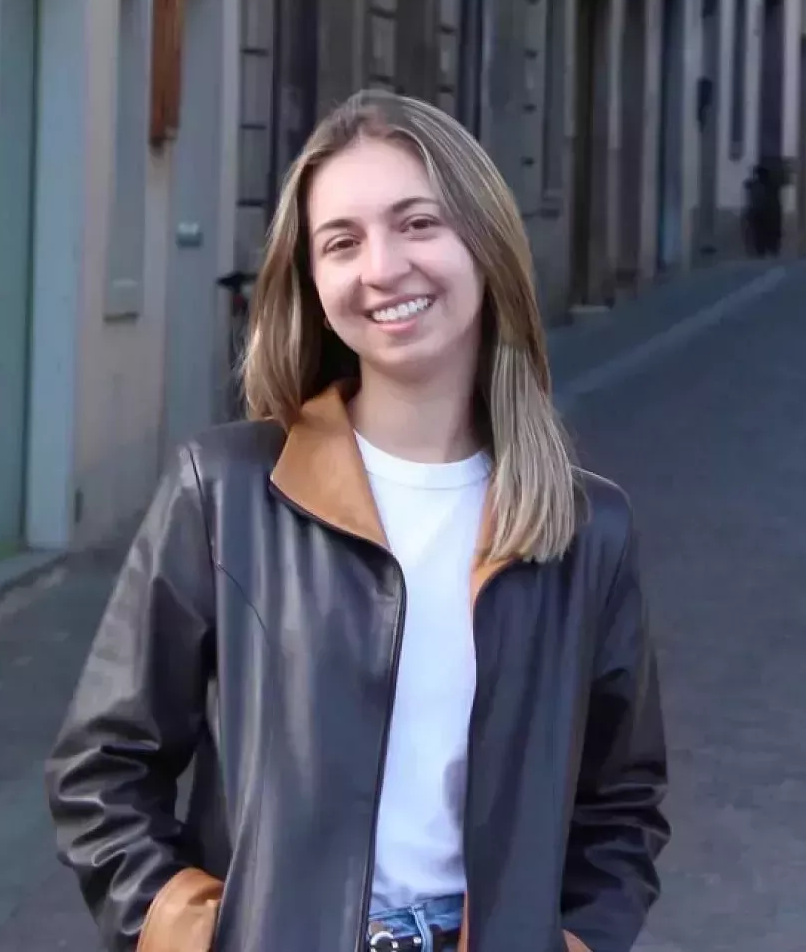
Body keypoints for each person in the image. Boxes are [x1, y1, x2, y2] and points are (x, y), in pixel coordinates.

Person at [45, 89, 669, 952]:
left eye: (417, 223)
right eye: (341, 241)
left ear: (483, 241)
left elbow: (620, 806)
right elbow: (102, 765)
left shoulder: (584, 529)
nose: (382, 267)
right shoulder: (226, 491)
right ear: (312, 279)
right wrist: (193, 934)